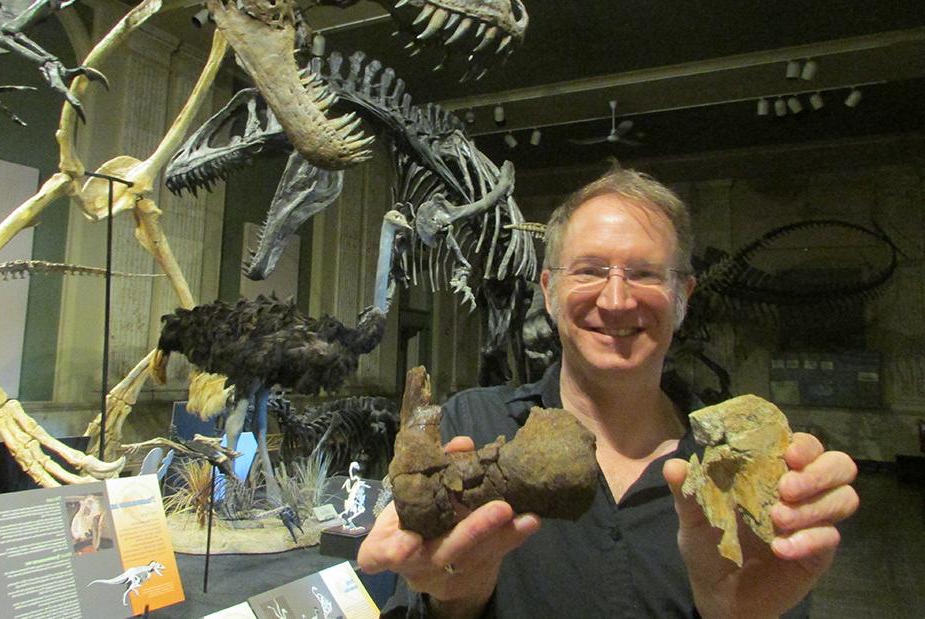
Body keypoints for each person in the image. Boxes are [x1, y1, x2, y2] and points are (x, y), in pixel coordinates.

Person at [358, 164, 859, 618]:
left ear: (682, 296)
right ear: (549, 291)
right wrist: (458, 601)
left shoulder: (736, 473)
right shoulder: (470, 426)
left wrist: (738, 615)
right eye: (590, 271)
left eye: (643, 274)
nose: (616, 300)